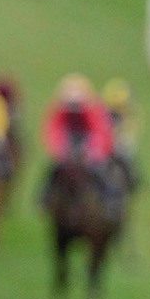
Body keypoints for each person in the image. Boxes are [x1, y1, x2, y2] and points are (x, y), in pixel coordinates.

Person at [39, 73, 118, 204]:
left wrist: (94, 151)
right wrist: (60, 150)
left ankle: (109, 197)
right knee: (56, 169)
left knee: (97, 168)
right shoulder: (60, 111)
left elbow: (100, 131)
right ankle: (46, 195)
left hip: (88, 139)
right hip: (69, 139)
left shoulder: (93, 110)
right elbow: (53, 129)